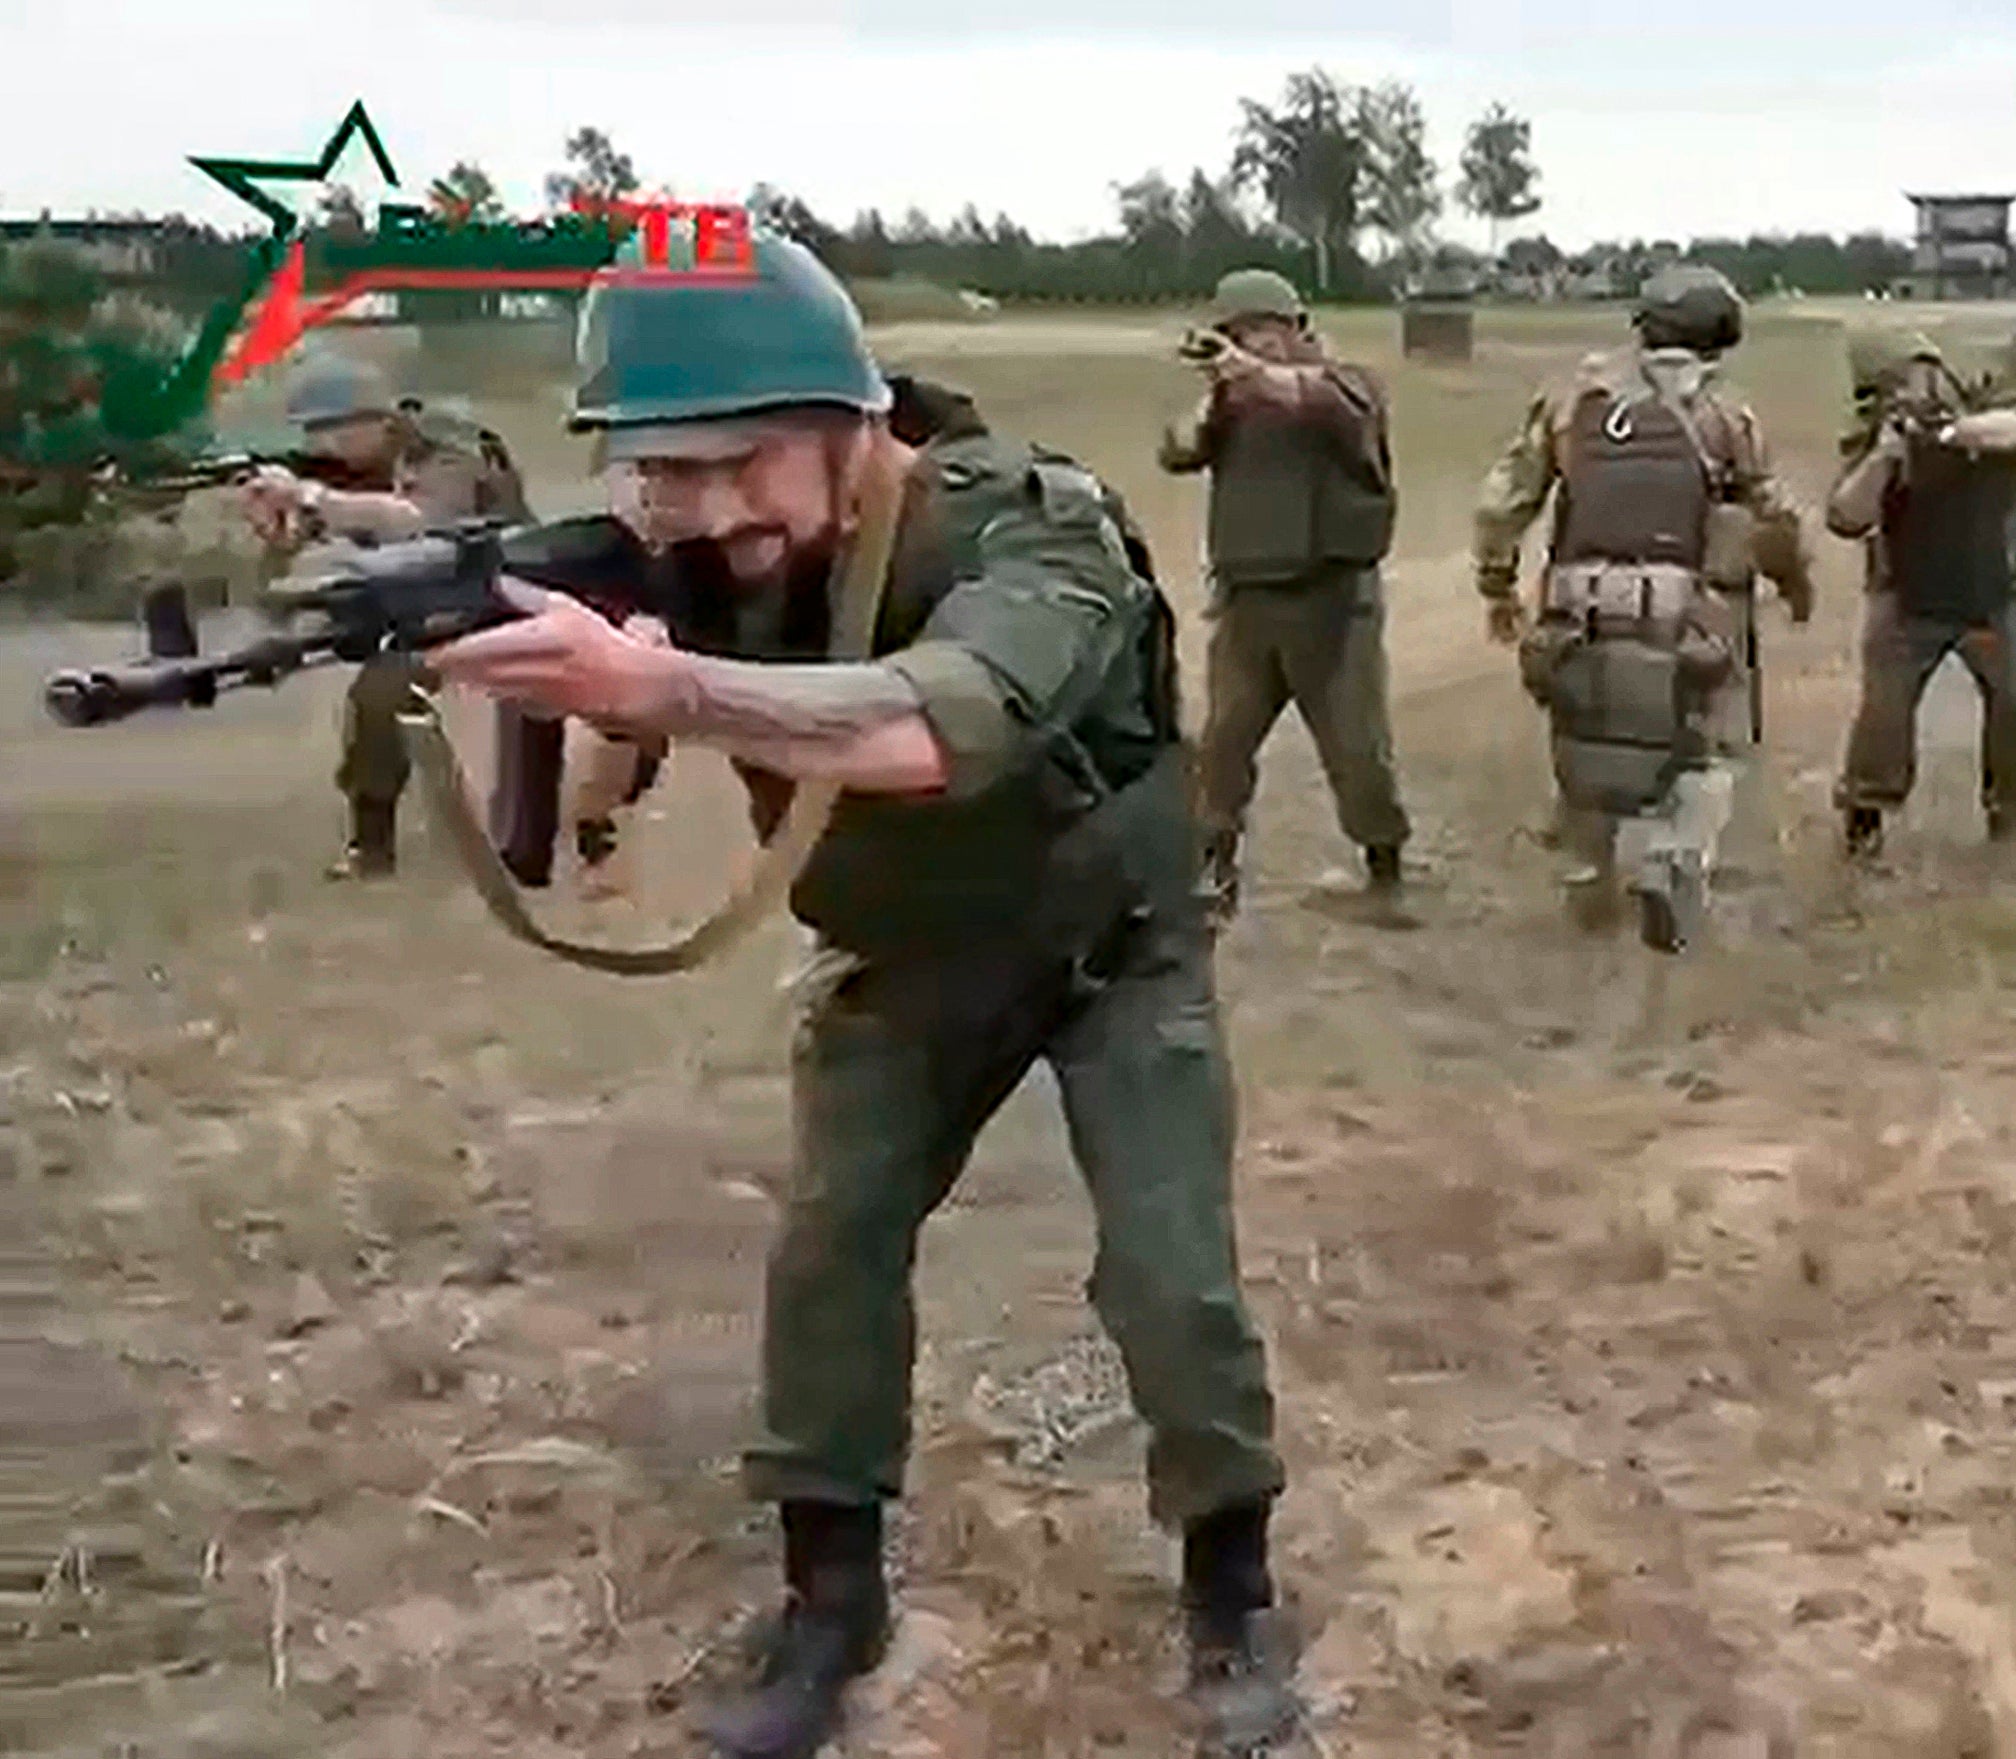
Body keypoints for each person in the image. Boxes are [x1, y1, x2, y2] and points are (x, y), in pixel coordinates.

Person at [421, 233, 1299, 1758]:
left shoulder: (1036, 529)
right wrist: (586, 741)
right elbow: (630, 692)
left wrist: (669, 691)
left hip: (1111, 948)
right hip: (905, 954)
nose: (703, 511)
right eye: (662, 475)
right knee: (830, 1242)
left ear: (850, 419)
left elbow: (938, 728)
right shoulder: (702, 552)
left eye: (736, 465)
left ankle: (1232, 1585)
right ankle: (830, 1597)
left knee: (1172, 1276)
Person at [1468, 263, 1813, 951]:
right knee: (1706, 748)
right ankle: (1671, 864)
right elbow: (1773, 517)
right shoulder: (1724, 414)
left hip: (1576, 602)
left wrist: (1497, 584)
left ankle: (1586, 877)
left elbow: (1502, 499)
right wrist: (1794, 582)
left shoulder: (1571, 400)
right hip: (1687, 607)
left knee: (1586, 731)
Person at [1160, 267, 1407, 922]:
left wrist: (1252, 375)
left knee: (1356, 748)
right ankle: (1213, 869)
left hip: (1331, 601)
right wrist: (1217, 394)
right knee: (1222, 747)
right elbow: (1176, 451)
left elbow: (1326, 405)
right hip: (1248, 601)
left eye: (1262, 331)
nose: (1251, 344)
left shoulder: (1348, 383)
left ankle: (1385, 871)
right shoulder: (1233, 398)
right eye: (1237, 333)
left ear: (1297, 329)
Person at [239, 351, 531, 879]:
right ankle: (370, 846)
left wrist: (313, 496)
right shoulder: (353, 472)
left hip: (509, 596)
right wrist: (284, 535)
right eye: (312, 434)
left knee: (388, 688)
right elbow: (296, 569)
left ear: (376, 419)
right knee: (375, 698)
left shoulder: (447, 447)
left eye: (331, 430)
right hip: (425, 604)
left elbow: (421, 523)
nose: (321, 446)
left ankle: (544, 839)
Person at [1824, 330, 2016, 860]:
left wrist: (1948, 433)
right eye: (1891, 387)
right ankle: (1864, 824)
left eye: (1914, 378)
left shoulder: (1989, 411)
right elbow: (1845, 516)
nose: (1908, 392)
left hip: (1997, 599)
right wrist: (1887, 454)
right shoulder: (1875, 438)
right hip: (1906, 602)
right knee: (1883, 720)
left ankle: (2011, 825)